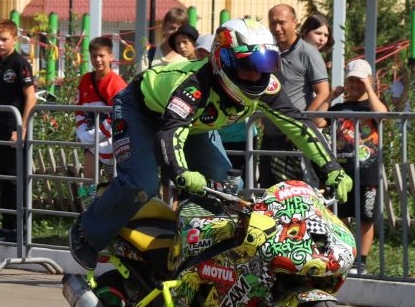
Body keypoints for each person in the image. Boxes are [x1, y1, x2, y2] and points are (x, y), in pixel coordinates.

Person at [69, 19, 351, 270]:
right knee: (142, 183)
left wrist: (332, 167)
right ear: (223, 61)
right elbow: (170, 133)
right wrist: (179, 172)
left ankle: (193, 252)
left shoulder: (267, 86)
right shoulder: (194, 85)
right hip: (141, 110)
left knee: (225, 186)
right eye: (247, 66)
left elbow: (300, 126)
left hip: (191, 125)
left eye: (264, 66)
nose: (256, 75)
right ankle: (87, 230)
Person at [330, 57, 386, 271]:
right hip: (343, 170)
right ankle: (346, 255)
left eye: (360, 80)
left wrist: (369, 89)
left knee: (365, 217)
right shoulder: (340, 107)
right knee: (341, 215)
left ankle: (361, 260)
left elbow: (382, 115)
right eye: (352, 80)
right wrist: (332, 96)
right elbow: (316, 119)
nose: (355, 85)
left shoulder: (372, 106)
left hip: (367, 170)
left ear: (369, 81)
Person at [266, 4, 331, 179]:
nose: (277, 28)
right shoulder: (268, 50)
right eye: (273, 23)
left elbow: (324, 91)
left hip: (295, 135)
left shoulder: (308, 52)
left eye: (282, 22)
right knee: (265, 189)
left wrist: (302, 122)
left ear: (295, 23)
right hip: (271, 132)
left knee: (300, 190)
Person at [0, 19, 37, 242]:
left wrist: (22, 127)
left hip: (14, 128)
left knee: (16, 179)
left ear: (14, 40)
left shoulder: (20, 63)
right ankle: (7, 227)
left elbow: (30, 96)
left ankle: (20, 228)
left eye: (4, 39)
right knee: (3, 179)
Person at [75, 34, 126, 187]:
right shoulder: (85, 80)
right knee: (88, 182)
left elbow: (119, 116)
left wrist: (94, 135)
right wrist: (82, 132)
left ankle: (113, 210)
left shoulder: (117, 84)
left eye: (101, 55)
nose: (97, 60)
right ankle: (89, 208)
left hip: (113, 141)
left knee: (114, 183)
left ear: (111, 56)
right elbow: (78, 109)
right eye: (94, 56)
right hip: (91, 141)